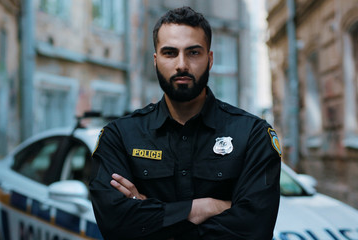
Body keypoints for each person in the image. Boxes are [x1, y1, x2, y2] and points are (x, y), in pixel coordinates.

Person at [89, 6, 281, 240]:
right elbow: (116, 224)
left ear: (209, 59)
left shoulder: (252, 134)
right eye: (170, 53)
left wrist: (150, 209)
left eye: (193, 53)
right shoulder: (119, 136)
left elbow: (254, 229)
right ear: (156, 60)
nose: (181, 64)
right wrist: (205, 207)